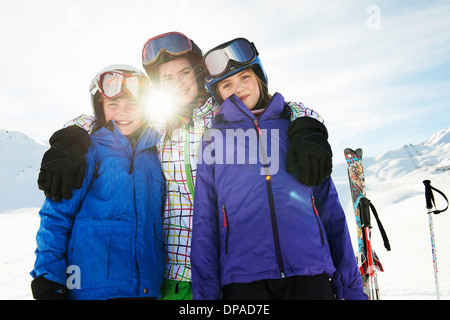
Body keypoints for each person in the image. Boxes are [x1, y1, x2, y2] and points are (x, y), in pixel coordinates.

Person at [35, 32, 333, 300]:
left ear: (199, 74)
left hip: (226, 271)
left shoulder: (225, 114)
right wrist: (70, 139)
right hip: (169, 277)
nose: (177, 82)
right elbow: (113, 117)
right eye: (166, 79)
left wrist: (307, 125)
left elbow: (270, 108)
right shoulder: (155, 124)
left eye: (184, 72)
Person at [191, 38, 366, 300]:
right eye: (227, 84)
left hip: (310, 272)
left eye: (244, 77)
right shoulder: (214, 140)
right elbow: (205, 223)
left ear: (260, 78)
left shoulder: (296, 131)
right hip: (244, 280)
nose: (238, 88)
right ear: (218, 93)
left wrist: (350, 289)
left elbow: (330, 210)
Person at [30, 65, 165, 300]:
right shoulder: (88, 152)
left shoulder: (156, 153)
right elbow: (57, 216)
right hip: (91, 288)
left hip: (146, 289)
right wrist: (48, 275)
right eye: (113, 105)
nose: (123, 112)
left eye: (132, 105)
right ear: (100, 109)